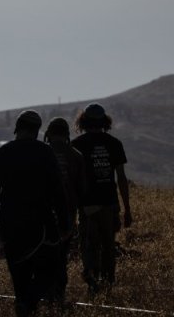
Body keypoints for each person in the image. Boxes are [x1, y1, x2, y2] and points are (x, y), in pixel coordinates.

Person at [0, 110, 69, 317]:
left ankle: (24, 305)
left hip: (10, 223)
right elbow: (58, 190)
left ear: (17, 128)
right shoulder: (45, 152)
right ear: (37, 130)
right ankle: (30, 302)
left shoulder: (2, 154)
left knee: (19, 278)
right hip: (41, 224)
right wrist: (65, 222)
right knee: (50, 270)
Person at [71, 103, 132, 293]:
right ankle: (108, 284)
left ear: (83, 121)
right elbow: (121, 178)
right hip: (109, 203)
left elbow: (72, 180)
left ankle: (92, 280)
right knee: (108, 245)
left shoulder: (76, 145)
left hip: (87, 205)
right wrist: (127, 209)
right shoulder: (114, 144)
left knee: (89, 244)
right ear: (105, 121)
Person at [43, 117, 86, 305]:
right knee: (62, 256)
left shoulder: (41, 153)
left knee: (43, 254)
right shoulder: (76, 156)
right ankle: (59, 294)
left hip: (42, 214)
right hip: (68, 214)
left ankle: (45, 294)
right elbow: (82, 190)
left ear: (48, 134)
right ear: (67, 134)